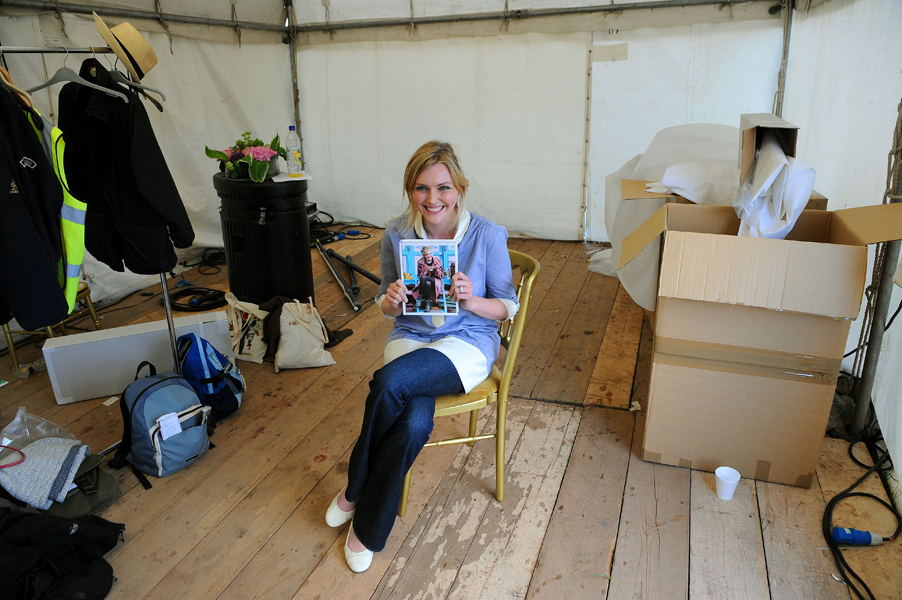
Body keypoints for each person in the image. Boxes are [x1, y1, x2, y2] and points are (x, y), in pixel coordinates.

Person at [324, 140, 519, 572]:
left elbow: (508, 306)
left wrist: (472, 300)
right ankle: (369, 531)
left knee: (390, 382)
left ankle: (356, 489)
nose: (433, 199)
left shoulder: (487, 234)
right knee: (413, 422)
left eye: (443, 188)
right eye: (421, 188)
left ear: (460, 188)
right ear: (410, 190)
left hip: (466, 341)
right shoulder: (397, 232)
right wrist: (391, 300)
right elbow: (386, 303)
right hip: (411, 334)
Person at [415, 246, 444, 310]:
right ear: (424, 256)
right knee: (427, 283)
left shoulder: (438, 261)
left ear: (432, 253)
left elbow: (441, 276)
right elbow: (419, 275)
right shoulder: (420, 262)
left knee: (424, 278)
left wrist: (436, 270)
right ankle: (427, 305)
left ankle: (419, 298)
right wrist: (425, 271)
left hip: (436, 281)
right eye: (427, 254)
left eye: (430, 254)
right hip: (425, 282)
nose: (429, 256)